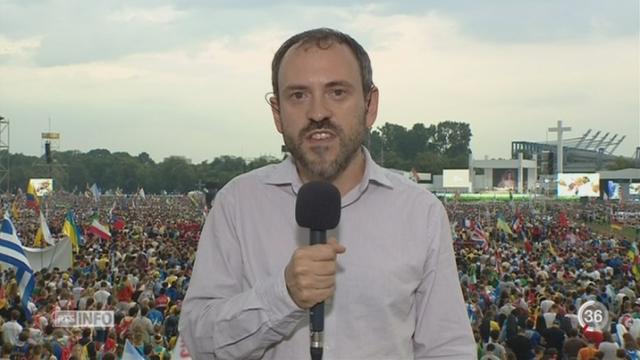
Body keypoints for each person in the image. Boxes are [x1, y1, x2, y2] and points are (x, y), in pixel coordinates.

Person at [180, 27, 475, 359]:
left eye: (337, 92)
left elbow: (447, 347)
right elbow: (197, 341)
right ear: (277, 113)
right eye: (298, 95)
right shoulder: (237, 204)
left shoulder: (420, 212)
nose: (318, 113)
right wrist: (283, 296)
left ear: (369, 105)